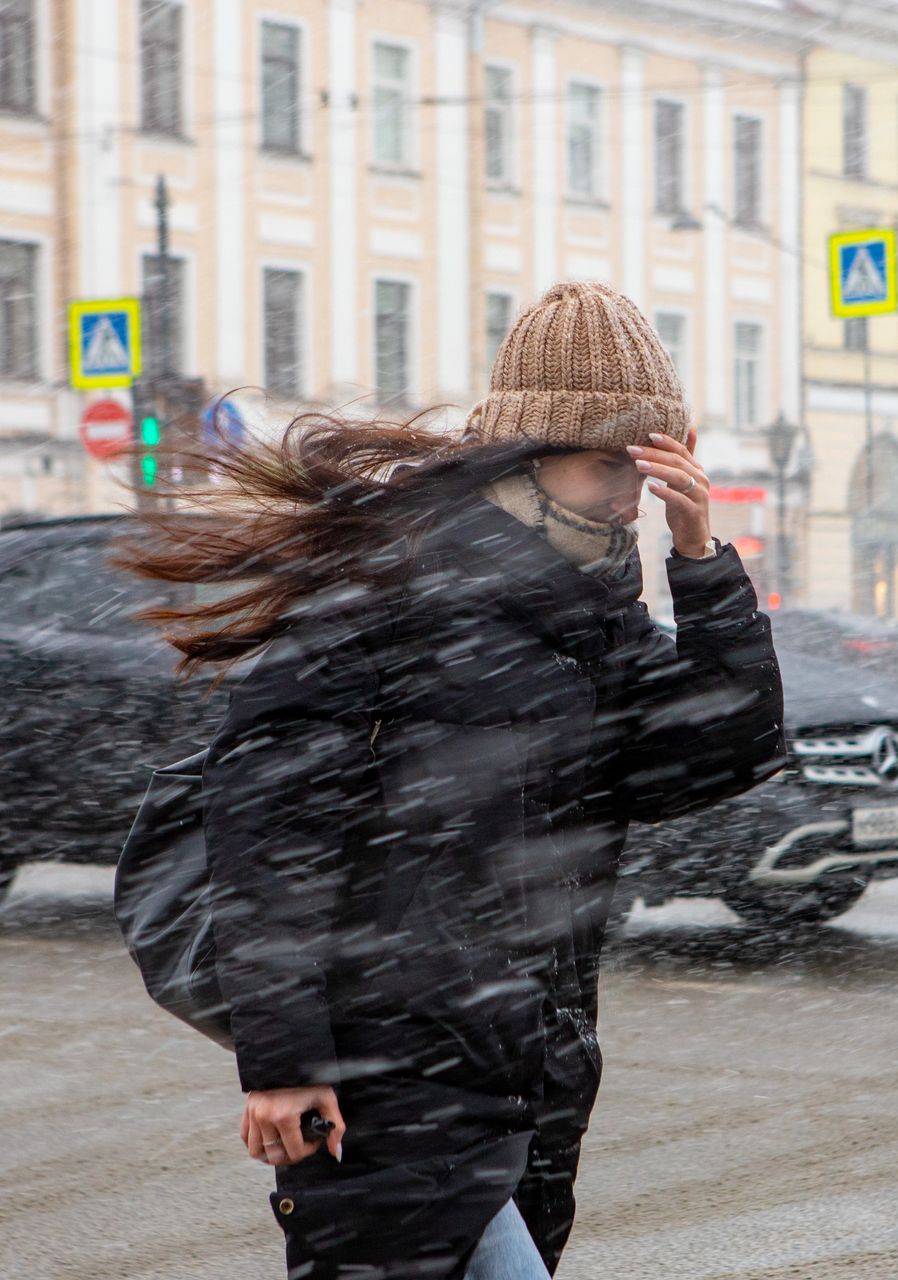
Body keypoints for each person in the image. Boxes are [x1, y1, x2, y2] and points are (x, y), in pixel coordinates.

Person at [127, 281, 783, 1278]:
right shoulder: (390, 599)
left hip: (532, 1075)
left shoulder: (595, 617)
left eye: (647, 466)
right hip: (390, 1075)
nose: (631, 491)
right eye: (611, 461)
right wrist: (285, 1062)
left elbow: (718, 754)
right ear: (531, 456)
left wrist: (702, 565)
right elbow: (269, 841)